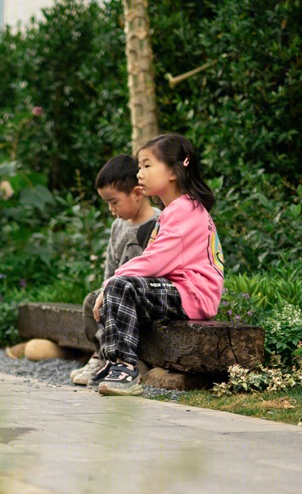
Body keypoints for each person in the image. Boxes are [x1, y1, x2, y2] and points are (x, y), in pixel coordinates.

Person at [92, 133, 224, 396]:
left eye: (147, 165)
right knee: (117, 289)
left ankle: (126, 368)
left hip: (193, 294)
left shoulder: (185, 211)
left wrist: (110, 283)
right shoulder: (176, 209)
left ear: (174, 172)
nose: (139, 173)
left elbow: (155, 261)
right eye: (140, 166)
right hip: (180, 290)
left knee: (120, 286)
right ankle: (114, 361)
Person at [69, 154, 160, 386]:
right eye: (107, 203)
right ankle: (100, 355)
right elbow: (111, 267)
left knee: (115, 300)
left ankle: (116, 359)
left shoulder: (160, 222)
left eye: (114, 202)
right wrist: (103, 290)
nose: (111, 209)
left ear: (137, 194)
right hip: (115, 291)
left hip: (141, 297)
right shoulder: (118, 226)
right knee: (92, 301)